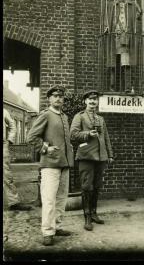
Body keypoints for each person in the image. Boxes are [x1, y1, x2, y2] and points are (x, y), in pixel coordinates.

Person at [27, 86, 74, 246]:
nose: (58, 98)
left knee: (61, 198)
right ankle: (47, 231)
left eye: (61, 96)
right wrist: (46, 148)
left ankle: (57, 226)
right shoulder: (46, 115)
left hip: (65, 163)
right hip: (50, 164)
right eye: (55, 96)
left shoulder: (65, 117)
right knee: (49, 199)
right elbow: (31, 137)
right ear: (49, 99)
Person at [70, 90, 114, 231]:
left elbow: (106, 137)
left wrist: (110, 154)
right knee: (86, 186)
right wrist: (88, 134)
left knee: (97, 185)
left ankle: (94, 213)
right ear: (85, 101)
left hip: (100, 157)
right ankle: (87, 217)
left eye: (95, 100)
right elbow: (73, 134)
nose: (93, 102)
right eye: (90, 99)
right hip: (86, 156)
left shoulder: (100, 119)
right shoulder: (80, 116)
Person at [104, 0, 142, 92]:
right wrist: (106, 27)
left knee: (126, 63)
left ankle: (128, 88)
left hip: (125, 39)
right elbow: (106, 19)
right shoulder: (112, 5)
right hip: (114, 38)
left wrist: (136, 5)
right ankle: (112, 88)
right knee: (113, 64)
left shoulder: (131, 5)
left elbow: (139, 14)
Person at [3, 107, 32, 211]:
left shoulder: (4, 111)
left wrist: (9, 140)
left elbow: (13, 126)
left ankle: (13, 202)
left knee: (7, 175)